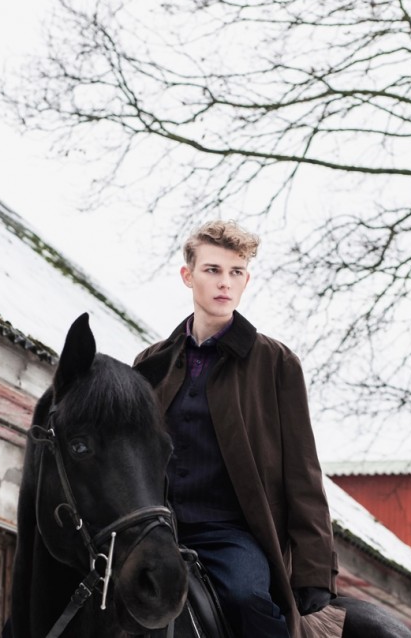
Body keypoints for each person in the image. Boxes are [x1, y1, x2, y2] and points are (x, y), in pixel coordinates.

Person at [134, 220, 344, 638]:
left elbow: (303, 471)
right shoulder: (150, 363)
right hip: (153, 529)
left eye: (236, 272)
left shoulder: (276, 363)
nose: (224, 283)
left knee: (247, 599)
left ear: (246, 280)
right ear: (188, 275)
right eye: (212, 270)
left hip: (230, 534)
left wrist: (315, 570)